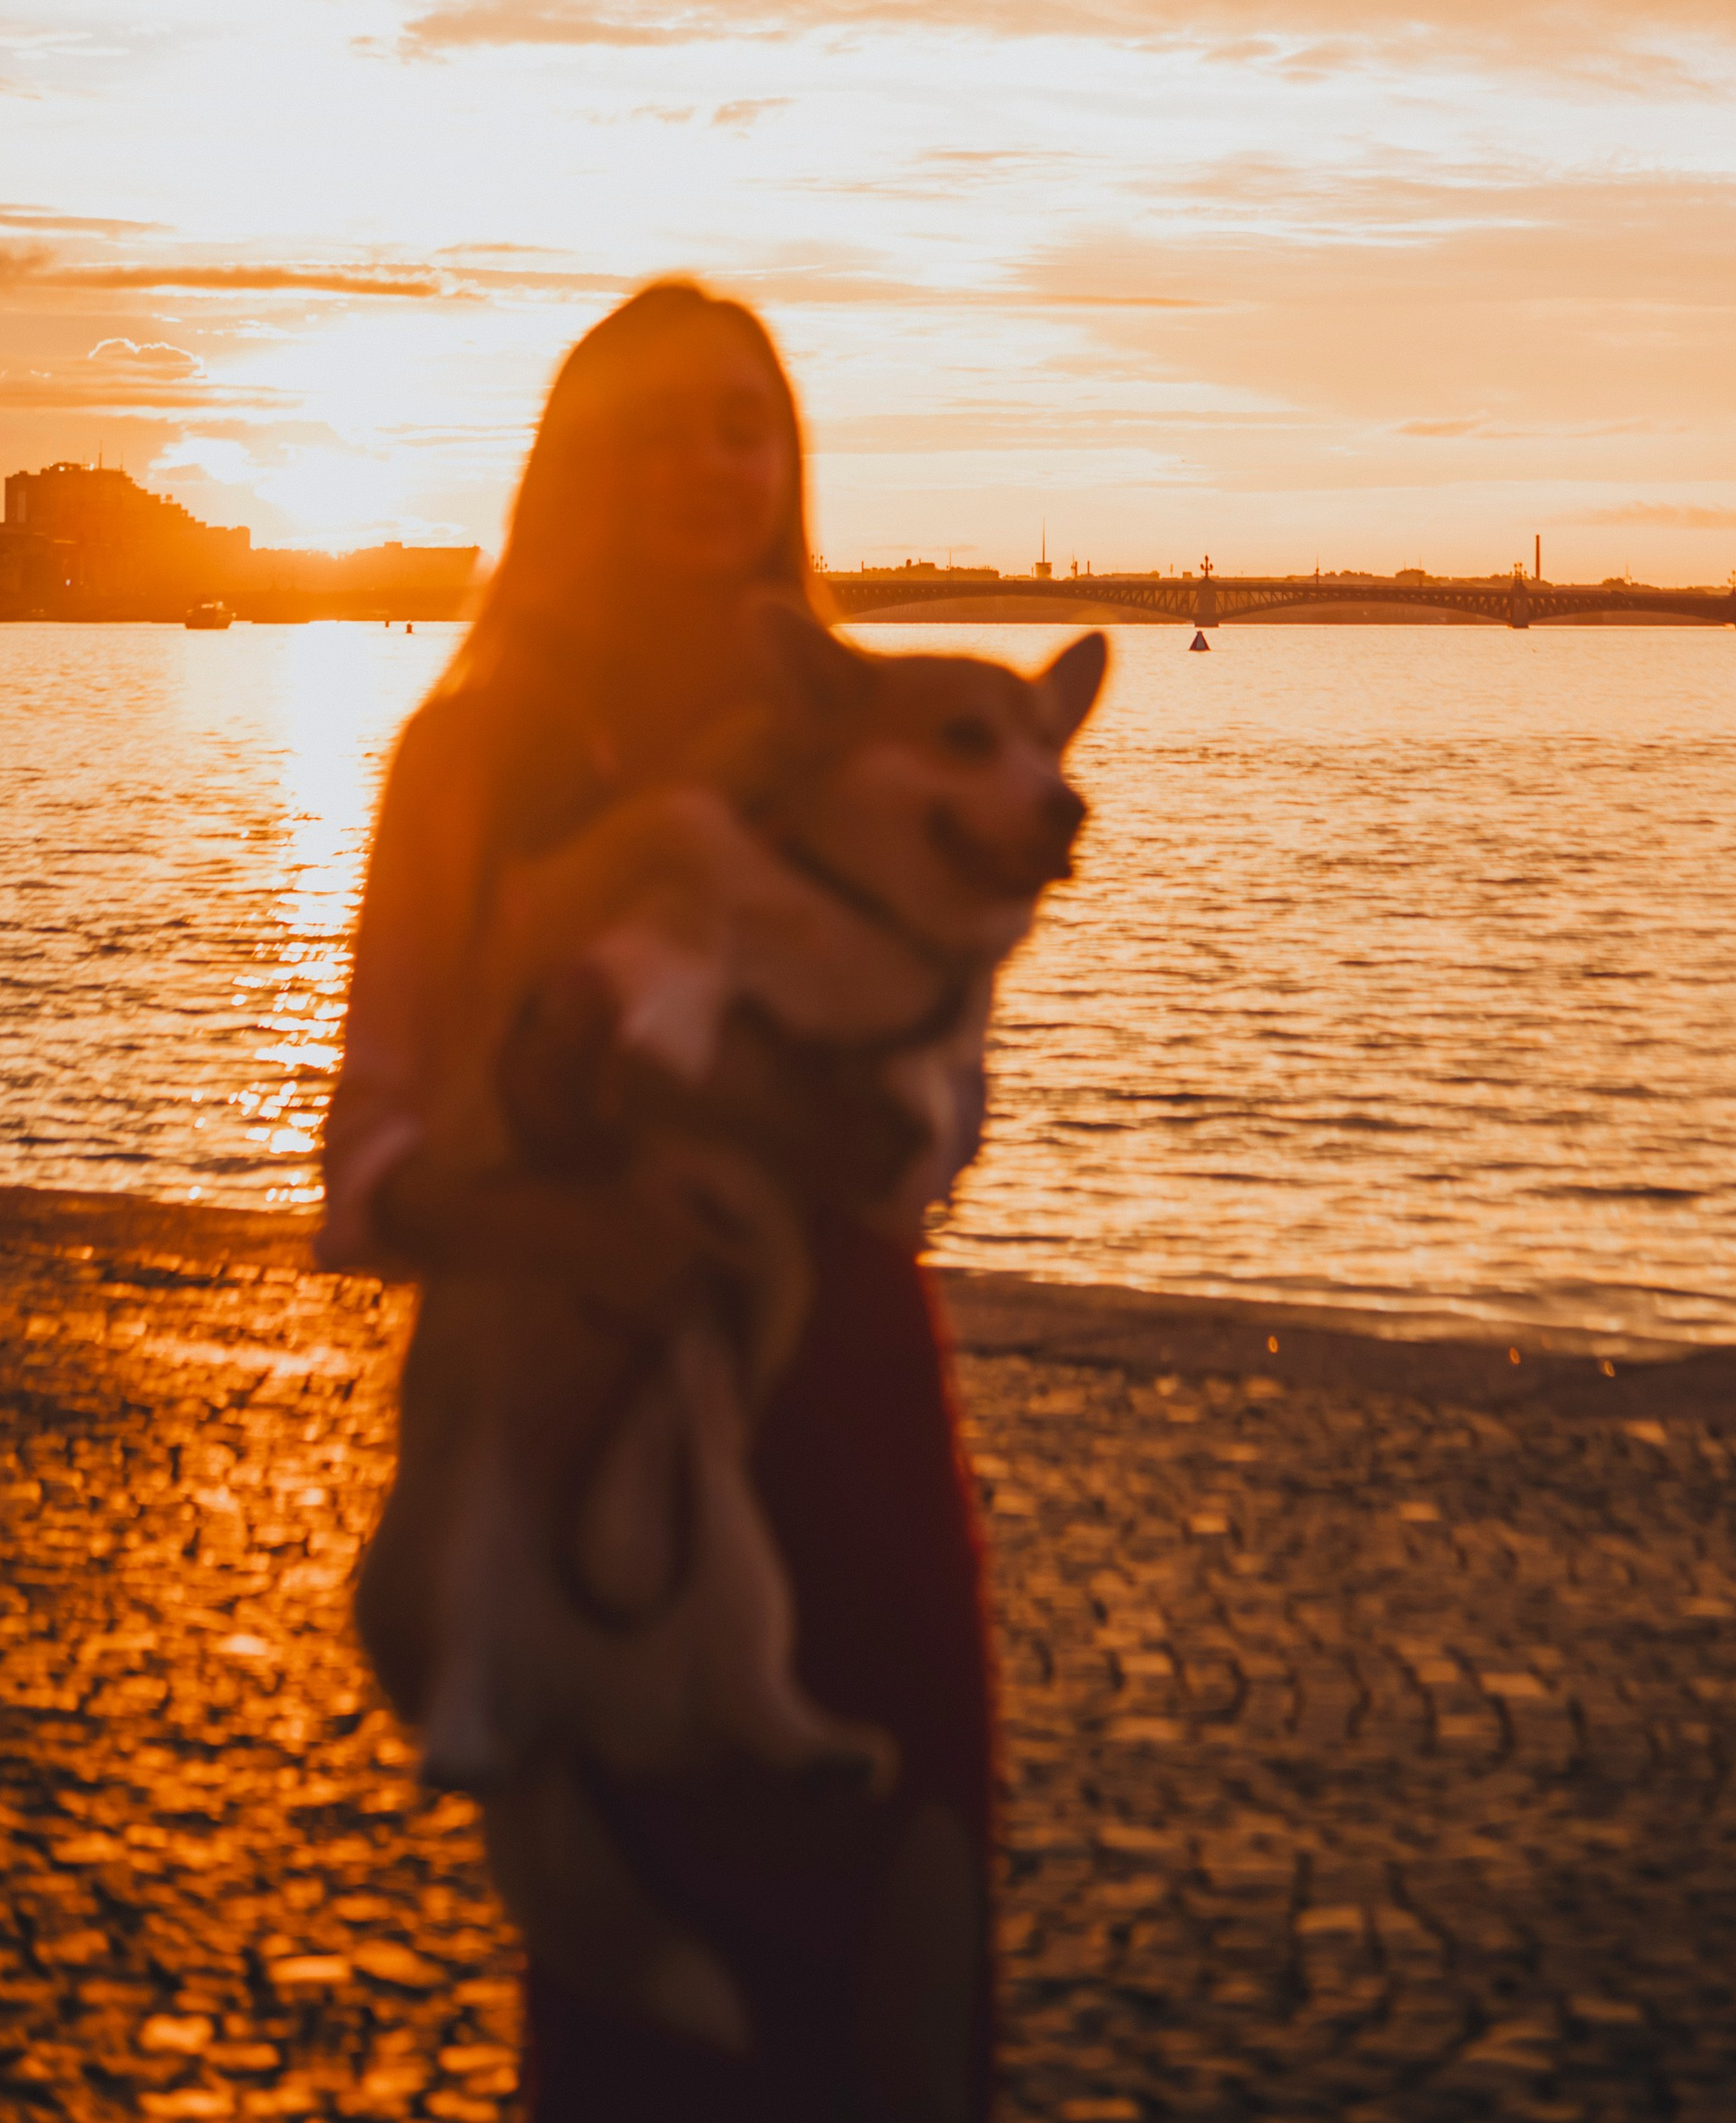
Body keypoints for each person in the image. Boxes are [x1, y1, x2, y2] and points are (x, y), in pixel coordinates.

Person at [321, 281, 999, 2123]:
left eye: (743, 423)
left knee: (906, 1972)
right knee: (659, 2029)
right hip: (588, 1428)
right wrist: (557, 1216)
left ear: (788, 464)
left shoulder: (880, 756)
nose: (709, 462)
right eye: (658, 429)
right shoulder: (470, 759)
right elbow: (366, 1158)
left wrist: (894, 1123)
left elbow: (938, 1113)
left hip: (853, 1416)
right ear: (574, 476)